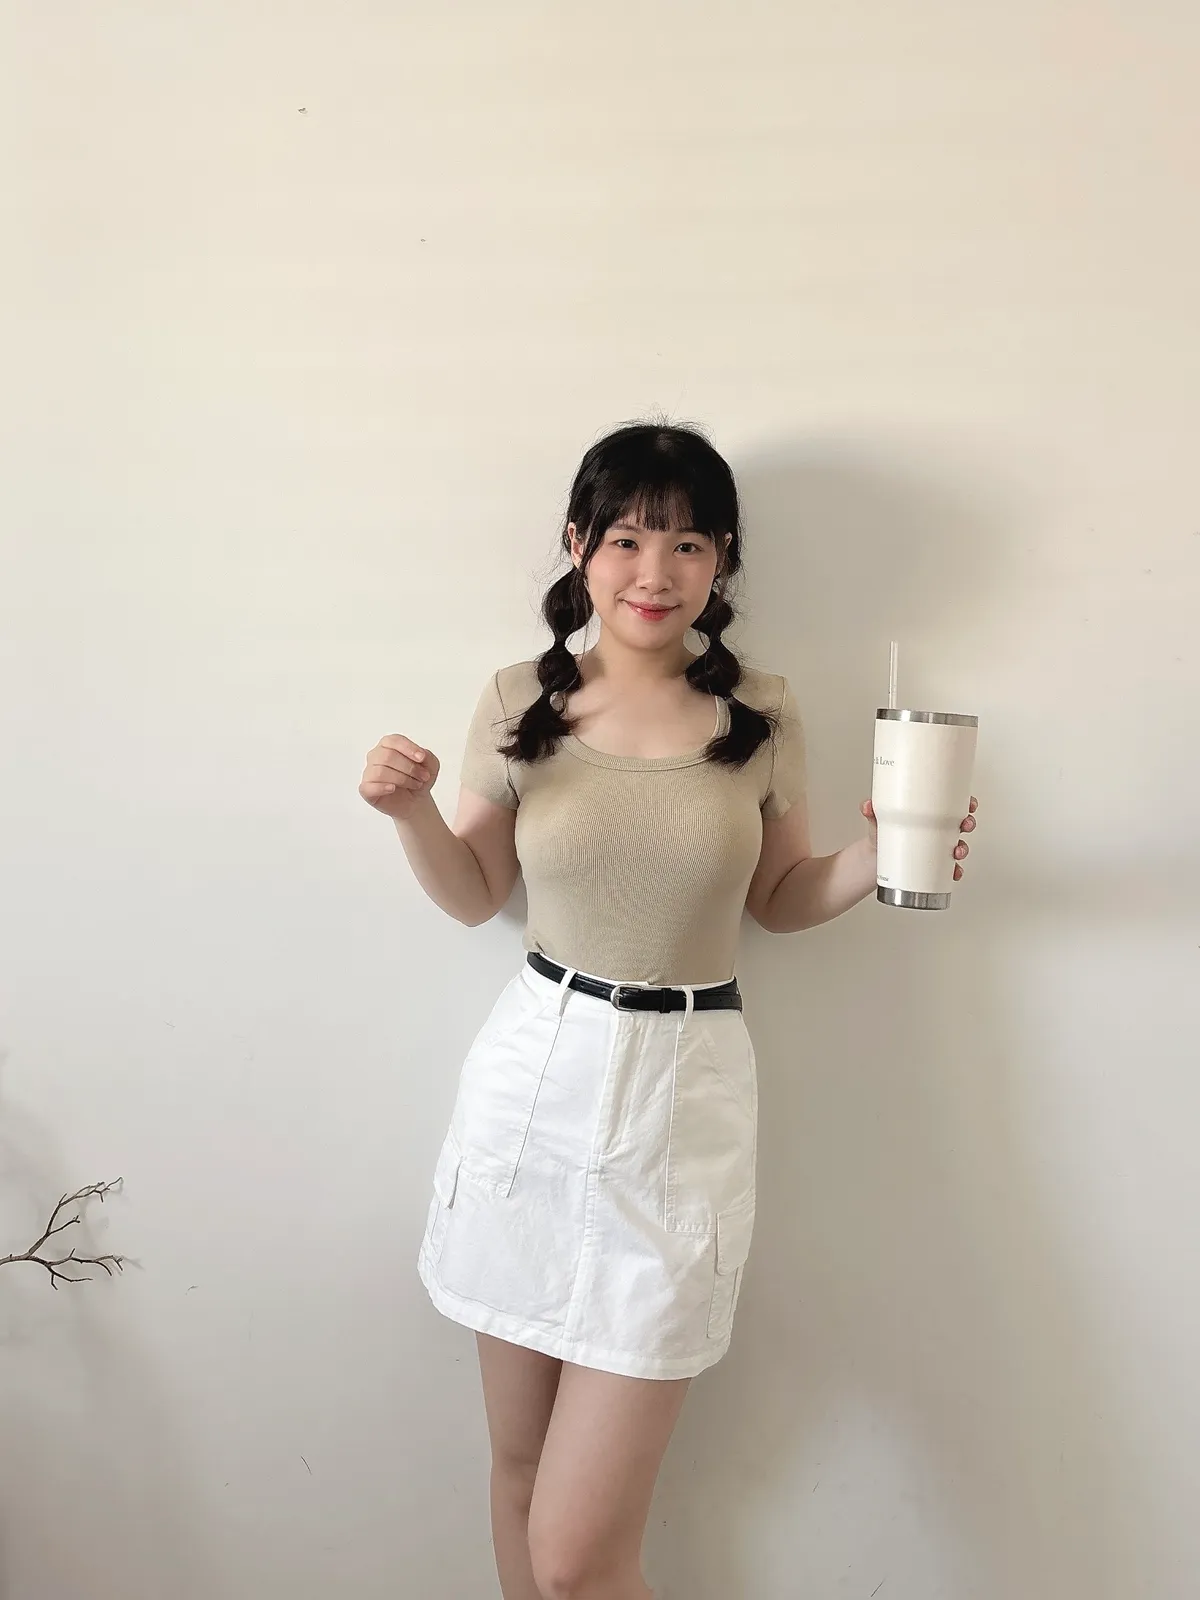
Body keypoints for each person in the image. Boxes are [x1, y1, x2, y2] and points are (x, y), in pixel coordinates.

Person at [359, 422, 978, 1600]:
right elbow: (477, 892)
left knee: (579, 1557)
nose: (657, 571)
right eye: (629, 539)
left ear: (722, 559)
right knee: (518, 1471)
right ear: (579, 546)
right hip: (535, 1082)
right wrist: (412, 814)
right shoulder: (519, 699)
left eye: (689, 543)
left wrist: (886, 855)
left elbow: (779, 899)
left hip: (684, 1093)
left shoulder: (762, 711)